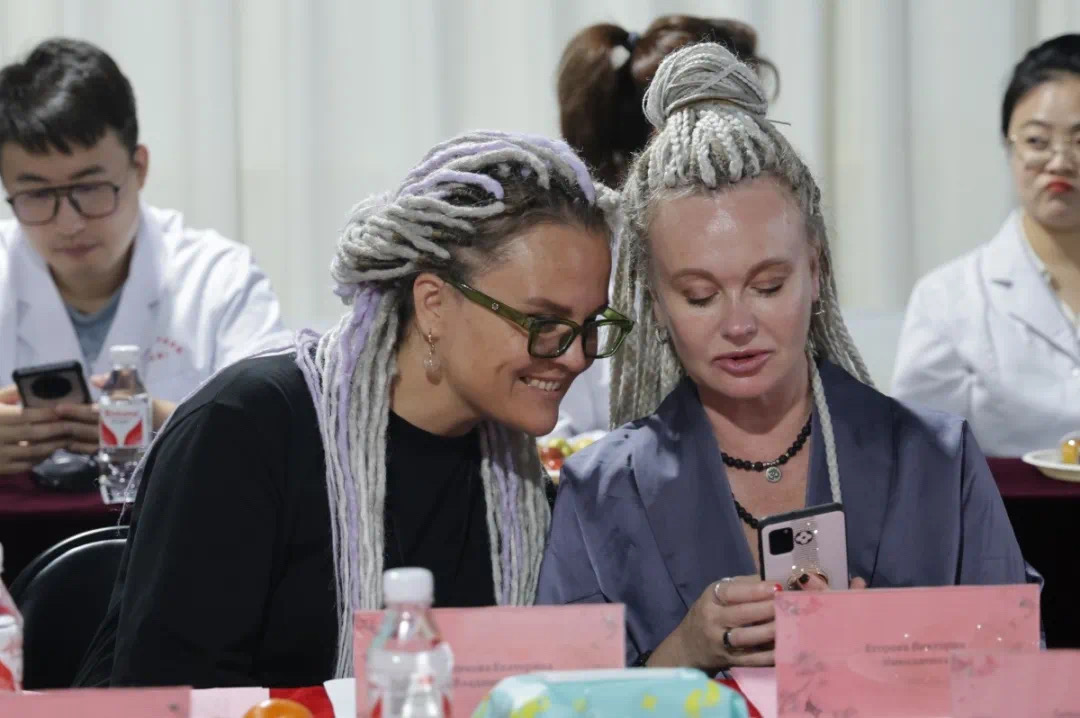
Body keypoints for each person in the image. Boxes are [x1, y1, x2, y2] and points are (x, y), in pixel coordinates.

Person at [74, 131, 632, 688]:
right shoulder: (244, 433)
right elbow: (170, 693)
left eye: (589, 325)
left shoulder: (520, 490)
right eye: (543, 323)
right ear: (433, 304)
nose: (576, 355)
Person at [536, 43, 1027, 672]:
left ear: (816, 272)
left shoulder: (935, 461)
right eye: (700, 296)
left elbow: (1020, 674)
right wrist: (682, 653)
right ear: (654, 302)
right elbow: (556, 701)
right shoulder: (603, 492)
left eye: (768, 286)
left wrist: (893, 649)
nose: (739, 324)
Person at [0, 38, 289, 475]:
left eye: (89, 188)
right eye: (37, 194)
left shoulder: (219, 279)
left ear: (139, 168)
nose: (69, 223)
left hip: (183, 520)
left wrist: (168, 427)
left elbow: (284, 434)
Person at [547, 15, 775, 439]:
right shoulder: (584, 271)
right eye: (699, 295)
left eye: (770, 286)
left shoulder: (779, 235)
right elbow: (555, 441)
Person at [892, 35, 1080, 457]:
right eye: (1037, 141)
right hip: (1005, 503)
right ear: (1009, 147)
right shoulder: (947, 298)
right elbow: (920, 453)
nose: (1060, 161)